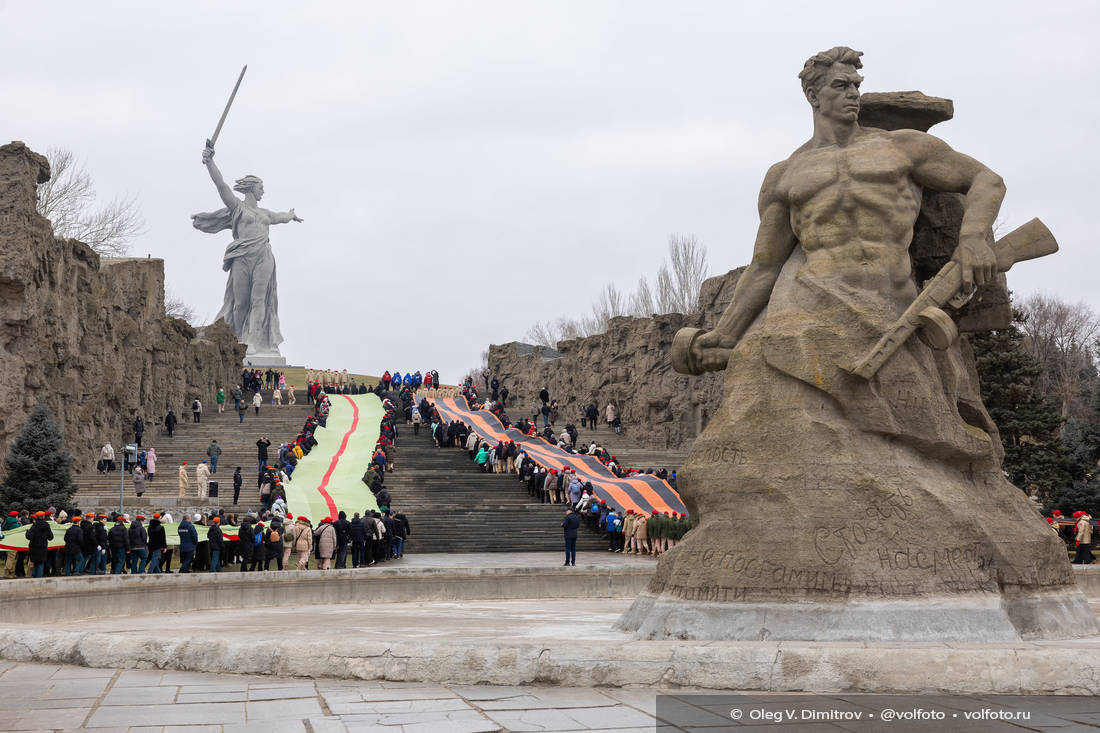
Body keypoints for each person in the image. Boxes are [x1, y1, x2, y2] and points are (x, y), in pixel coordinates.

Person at [26, 512, 53, 578]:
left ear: (36, 517)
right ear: (43, 517)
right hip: (43, 547)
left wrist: (27, 532)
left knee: (35, 563)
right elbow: (50, 537)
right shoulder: (47, 525)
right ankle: (39, 579)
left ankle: (34, 578)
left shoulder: (34, 526)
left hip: (34, 547)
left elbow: (29, 537)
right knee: (41, 563)